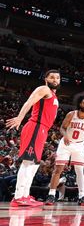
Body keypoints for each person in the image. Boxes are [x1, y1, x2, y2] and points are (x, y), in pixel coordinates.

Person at [5, 69, 61, 207]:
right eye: (52, 77)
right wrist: (19, 118)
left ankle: (25, 195)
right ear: (46, 79)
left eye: (57, 78)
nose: (55, 80)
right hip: (35, 126)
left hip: (42, 129)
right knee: (28, 162)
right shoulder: (44, 89)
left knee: (34, 163)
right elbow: (29, 102)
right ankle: (19, 197)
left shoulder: (53, 95)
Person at [45, 93, 84, 206]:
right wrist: (65, 135)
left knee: (80, 171)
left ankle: (82, 196)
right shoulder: (71, 114)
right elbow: (62, 128)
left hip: (79, 145)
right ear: (79, 103)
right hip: (66, 144)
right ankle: (51, 195)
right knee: (58, 169)